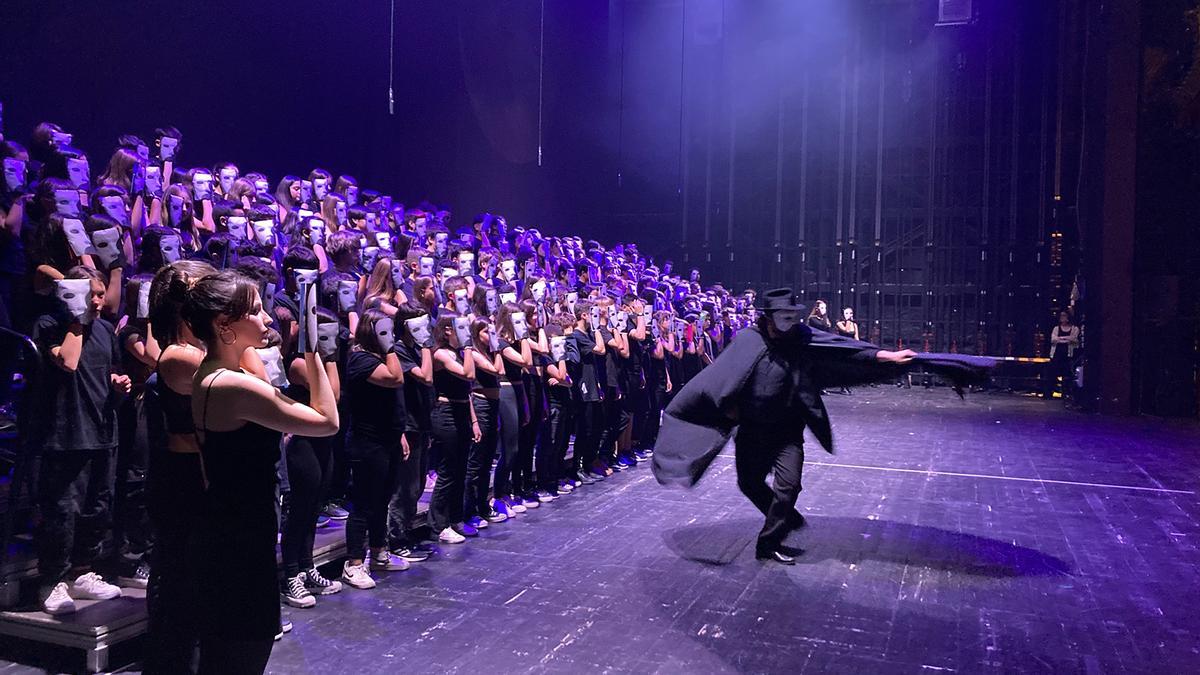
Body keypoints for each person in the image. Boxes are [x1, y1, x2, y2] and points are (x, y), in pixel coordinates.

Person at [652, 288, 993, 565]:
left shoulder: (801, 337)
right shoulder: (748, 341)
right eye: (783, 317)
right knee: (749, 482)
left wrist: (883, 356)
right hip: (754, 431)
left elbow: (844, 352)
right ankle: (784, 518)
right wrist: (730, 411)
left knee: (789, 487)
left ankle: (768, 543)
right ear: (768, 318)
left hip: (787, 430)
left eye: (793, 317)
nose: (790, 322)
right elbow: (720, 377)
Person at [185, 271, 338, 673]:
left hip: (229, 529)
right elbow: (327, 419)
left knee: (230, 653)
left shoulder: (217, 372)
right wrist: (312, 349)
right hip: (239, 539)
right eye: (255, 310)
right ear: (224, 324)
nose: (268, 318)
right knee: (240, 655)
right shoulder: (234, 387)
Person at [33, 267, 131, 615]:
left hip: (103, 429)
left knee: (98, 506)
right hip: (66, 432)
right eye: (90, 294)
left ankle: (82, 570)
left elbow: (111, 373)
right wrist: (76, 319)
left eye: (101, 294)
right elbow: (69, 363)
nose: (98, 301)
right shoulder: (50, 325)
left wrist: (119, 383)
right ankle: (52, 580)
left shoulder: (105, 330)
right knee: (63, 510)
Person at [341, 309, 410, 590]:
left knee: (383, 498)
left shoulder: (379, 357)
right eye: (384, 330)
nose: (389, 334)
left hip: (388, 438)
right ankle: (354, 563)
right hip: (366, 442)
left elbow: (393, 400)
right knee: (365, 502)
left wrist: (401, 434)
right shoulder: (360, 359)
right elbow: (395, 379)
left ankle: (380, 551)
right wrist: (389, 347)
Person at [1045, 311, 1079, 399]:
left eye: (1064, 316)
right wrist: (1066, 339)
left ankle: (1066, 394)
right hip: (1056, 354)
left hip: (1067, 355)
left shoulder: (1074, 329)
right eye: (1061, 316)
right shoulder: (1056, 328)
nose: (1061, 317)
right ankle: (1049, 393)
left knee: (1067, 375)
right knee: (1052, 374)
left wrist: (1061, 338)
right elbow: (1053, 339)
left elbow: (1074, 339)